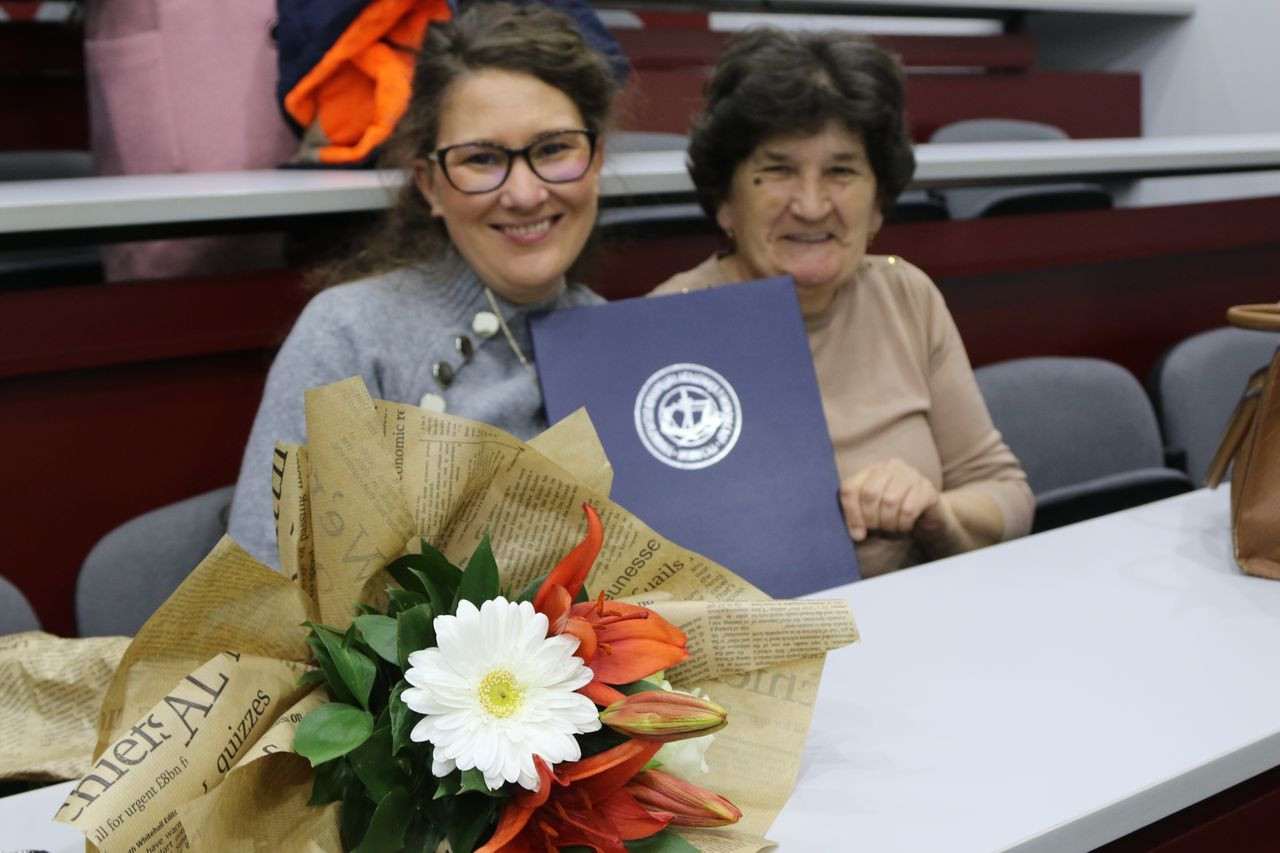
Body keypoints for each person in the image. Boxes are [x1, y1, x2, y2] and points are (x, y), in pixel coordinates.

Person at [229, 2, 616, 567]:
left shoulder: (622, 340)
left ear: (596, 160)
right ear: (430, 185)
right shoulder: (349, 335)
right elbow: (264, 583)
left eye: (554, 149)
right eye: (482, 159)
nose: (525, 193)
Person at [650, 28, 1034, 577]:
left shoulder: (906, 294)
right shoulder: (661, 326)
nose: (811, 205)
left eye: (841, 171)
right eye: (778, 169)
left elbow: (1005, 492)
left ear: (878, 205)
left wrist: (938, 514)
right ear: (725, 202)